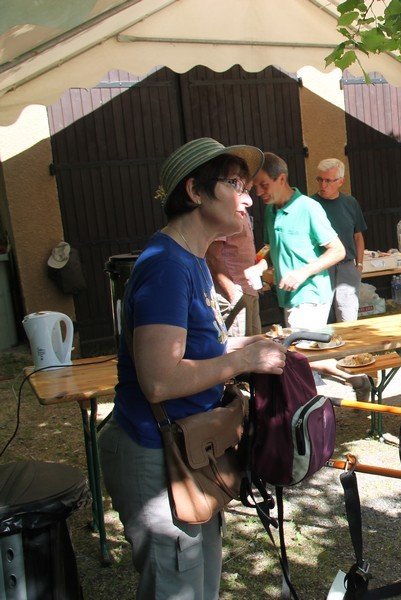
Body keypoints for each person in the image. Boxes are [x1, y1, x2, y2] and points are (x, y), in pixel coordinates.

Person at [98, 138, 288, 599]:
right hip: (155, 455)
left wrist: (247, 345)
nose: (247, 198)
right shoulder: (166, 266)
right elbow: (159, 380)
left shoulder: (194, 259)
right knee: (178, 589)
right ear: (195, 191)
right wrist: (242, 360)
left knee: (200, 588)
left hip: (188, 450)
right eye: (235, 184)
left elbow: (197, 349)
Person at [252, 152, 345, 330]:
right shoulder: (270, 210)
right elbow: (273, 249)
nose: (258, 192)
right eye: (256, 186)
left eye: (264, 185)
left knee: (302, 346)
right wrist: (260, 266)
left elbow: (338, 250)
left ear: (281, 179)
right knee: (302, 347)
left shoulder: (308, 207)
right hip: (287, 297)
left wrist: (302, 273)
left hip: (310, 295)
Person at [311, 158, 368, 322]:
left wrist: (359, 265)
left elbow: (358, 236)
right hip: (321, 268)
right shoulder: (310, 204)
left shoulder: (350, 203)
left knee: (348, 318)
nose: (323, 185)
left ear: (341, 181)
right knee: (321, 319)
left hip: (347, 267)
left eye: (328, 181)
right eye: (320, 179)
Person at [205, 189, 262, 336]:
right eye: (239, 187)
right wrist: (233, 294)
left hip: (249, 289)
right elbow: (213, 256)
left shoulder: (241, 207)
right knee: (240, 346)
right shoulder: (223, 212)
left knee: (257, 344)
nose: (249, 200)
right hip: (234, 293)